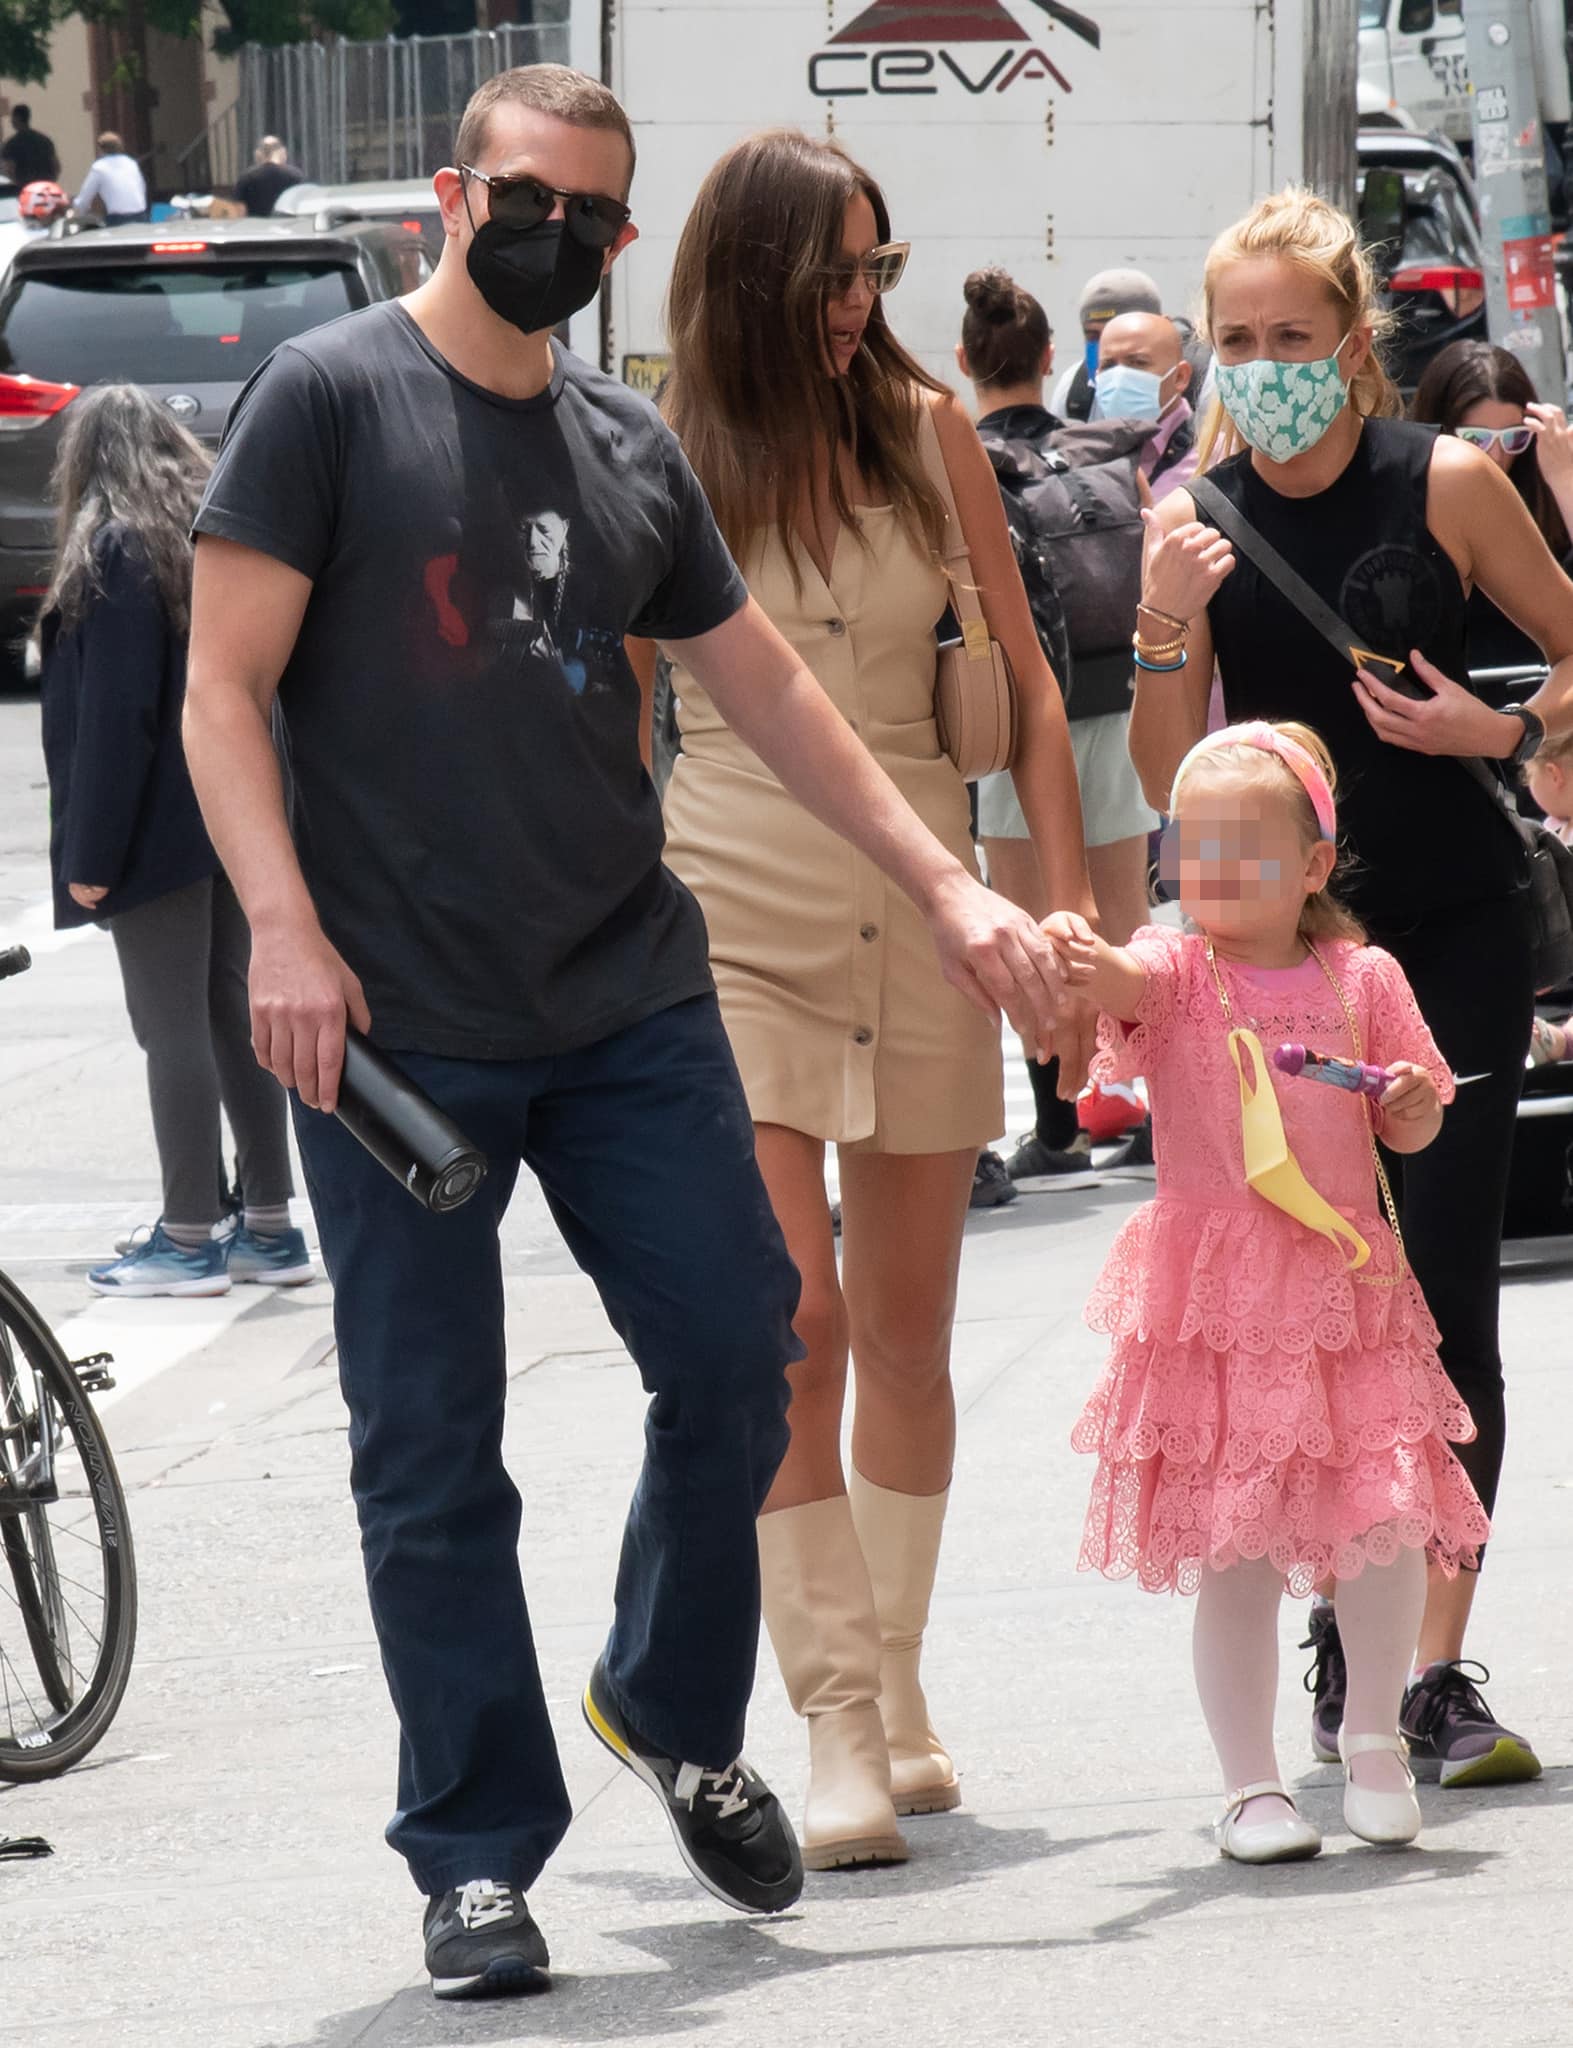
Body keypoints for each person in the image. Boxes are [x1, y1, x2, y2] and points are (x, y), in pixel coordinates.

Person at [182, 65, 1070, 2001]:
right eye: (533, 201)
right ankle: (479, 1855)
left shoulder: (622, 440)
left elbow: (774, 697)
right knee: (435, 1449)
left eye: (599, 217)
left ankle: (669, 1709)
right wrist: (281, 934)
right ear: (451, 189)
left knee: (743, 1357)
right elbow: (222, 691)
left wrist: (952, 888)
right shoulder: (329, 399)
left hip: (625, 997)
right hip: (394, 1023)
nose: (562, 242)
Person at [650, 135, 1093, 1874]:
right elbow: (618, 724)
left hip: (932, 906)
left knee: (906, 1328)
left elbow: (1035, 697)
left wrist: (1062, 913)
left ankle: (899, 1689)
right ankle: (828, 1716)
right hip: (725, 907)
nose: (855, 305)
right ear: (747, 279)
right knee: (791, 1323)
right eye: (827, 277)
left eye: (873, 271)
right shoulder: (659, 448)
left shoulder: (925, 439)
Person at [1132, 186, 1573, 1787]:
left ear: (1352, 342)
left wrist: (1504, 731)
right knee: (1307, 1308)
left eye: (1293, 339)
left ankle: (1429, 1670)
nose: (1265, 367)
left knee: (1444, 1293)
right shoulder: (1194, 512)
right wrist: (1161, 622)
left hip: (1448, 933)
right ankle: (1343, 1639)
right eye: (1236, 342)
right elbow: (1167, 773)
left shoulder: (1444, 480)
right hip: (1277, 962)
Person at [1048, 719, 1490, 1863]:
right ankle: (1251, 1783)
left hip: (1346, 1294)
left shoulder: (1362, 975)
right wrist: (1068, 943)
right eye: (1193, 844)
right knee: (1236, 1544)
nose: (1214, 868)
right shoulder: (1177, 972)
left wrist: (1403, 1104)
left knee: (1383, 1522)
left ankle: (1376, 1737)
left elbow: (1424, 1102)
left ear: (1310, 865)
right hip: (1224, 1302)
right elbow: (1113, 973)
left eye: (1246, 844)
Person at [36, 385, 307, 1299]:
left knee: (172, 1029)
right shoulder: (198, 542)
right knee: (232, 1018)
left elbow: (118, 726)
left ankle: (189, 1231)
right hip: (230, 817)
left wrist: (89, 863)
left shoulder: (112, 554)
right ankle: (268, 1220)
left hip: (154, 836)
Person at [956, 267, 1155, 1181]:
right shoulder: (1101, 450)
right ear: (1048, 359)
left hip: (1010, 722)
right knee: (1122, 918)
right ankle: (1161, 1101)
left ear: (964, 361)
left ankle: (1058, 1127)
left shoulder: (964, 461)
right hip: (1114, 703)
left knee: (1034, 935)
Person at [1411, 339, 1573, 687]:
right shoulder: (1410, 493)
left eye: (1514, 438)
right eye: (1476, 439)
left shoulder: (1550, 482)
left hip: (1551, 703)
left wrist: (1564, 481)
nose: (1497, 456)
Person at [1092, 310, 1199, 498]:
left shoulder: (1213, 456)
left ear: (1180, 377)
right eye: (1108, 366)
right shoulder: (1089, 456)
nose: (1119, 378)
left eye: (1138, 363)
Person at [1048, 265, 1162, 423]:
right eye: (1093, 336)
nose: (1105, 348)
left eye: (1119, 335)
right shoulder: (1074, 389)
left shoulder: (1195, 388)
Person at [75, 133, 147, 225]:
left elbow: (84, 198)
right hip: (141, 216)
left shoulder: (99, 167)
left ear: (100, 150)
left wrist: (78, 211)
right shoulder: (131, 163)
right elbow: (142, 188)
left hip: (118, 219)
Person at [233, 135, 305, 218]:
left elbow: (237, 211)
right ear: (283, 153)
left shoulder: (246, 178)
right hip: (289, 227)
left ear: (257, 154)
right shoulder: (296, 176)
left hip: (256, 228)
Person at [1, 105, 60, 187]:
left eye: (12, 118)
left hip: (24, 189)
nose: (11, 121)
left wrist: (16, 186)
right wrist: (50, 182)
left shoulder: (12, 144)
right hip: (45, 187)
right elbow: (56, 166)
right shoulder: (45, 140)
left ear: (17, 118)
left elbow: (9, 170)